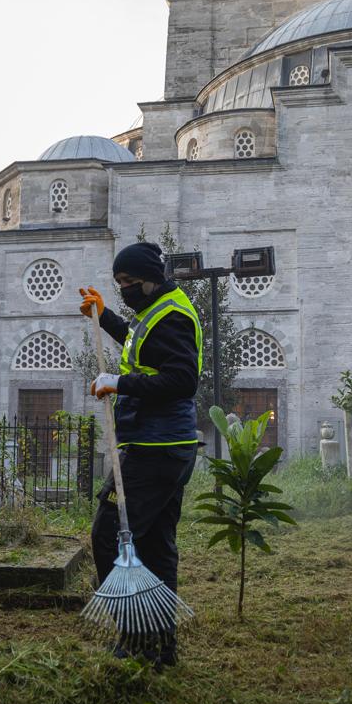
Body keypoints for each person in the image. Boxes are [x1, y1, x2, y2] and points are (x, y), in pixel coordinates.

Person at [78, 242, 202, 666]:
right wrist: (104, 316)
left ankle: (135, 635)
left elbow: (182, 379)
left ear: (151, 278)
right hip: (167, 446)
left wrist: (119, 383)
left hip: (155, 448)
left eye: (129, 283)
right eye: (119, 285)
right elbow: (141, 345)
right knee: (154, 545)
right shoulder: (157, 310)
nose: (125, 290)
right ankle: (159, 646)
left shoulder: (172, 315)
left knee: (109, 533)